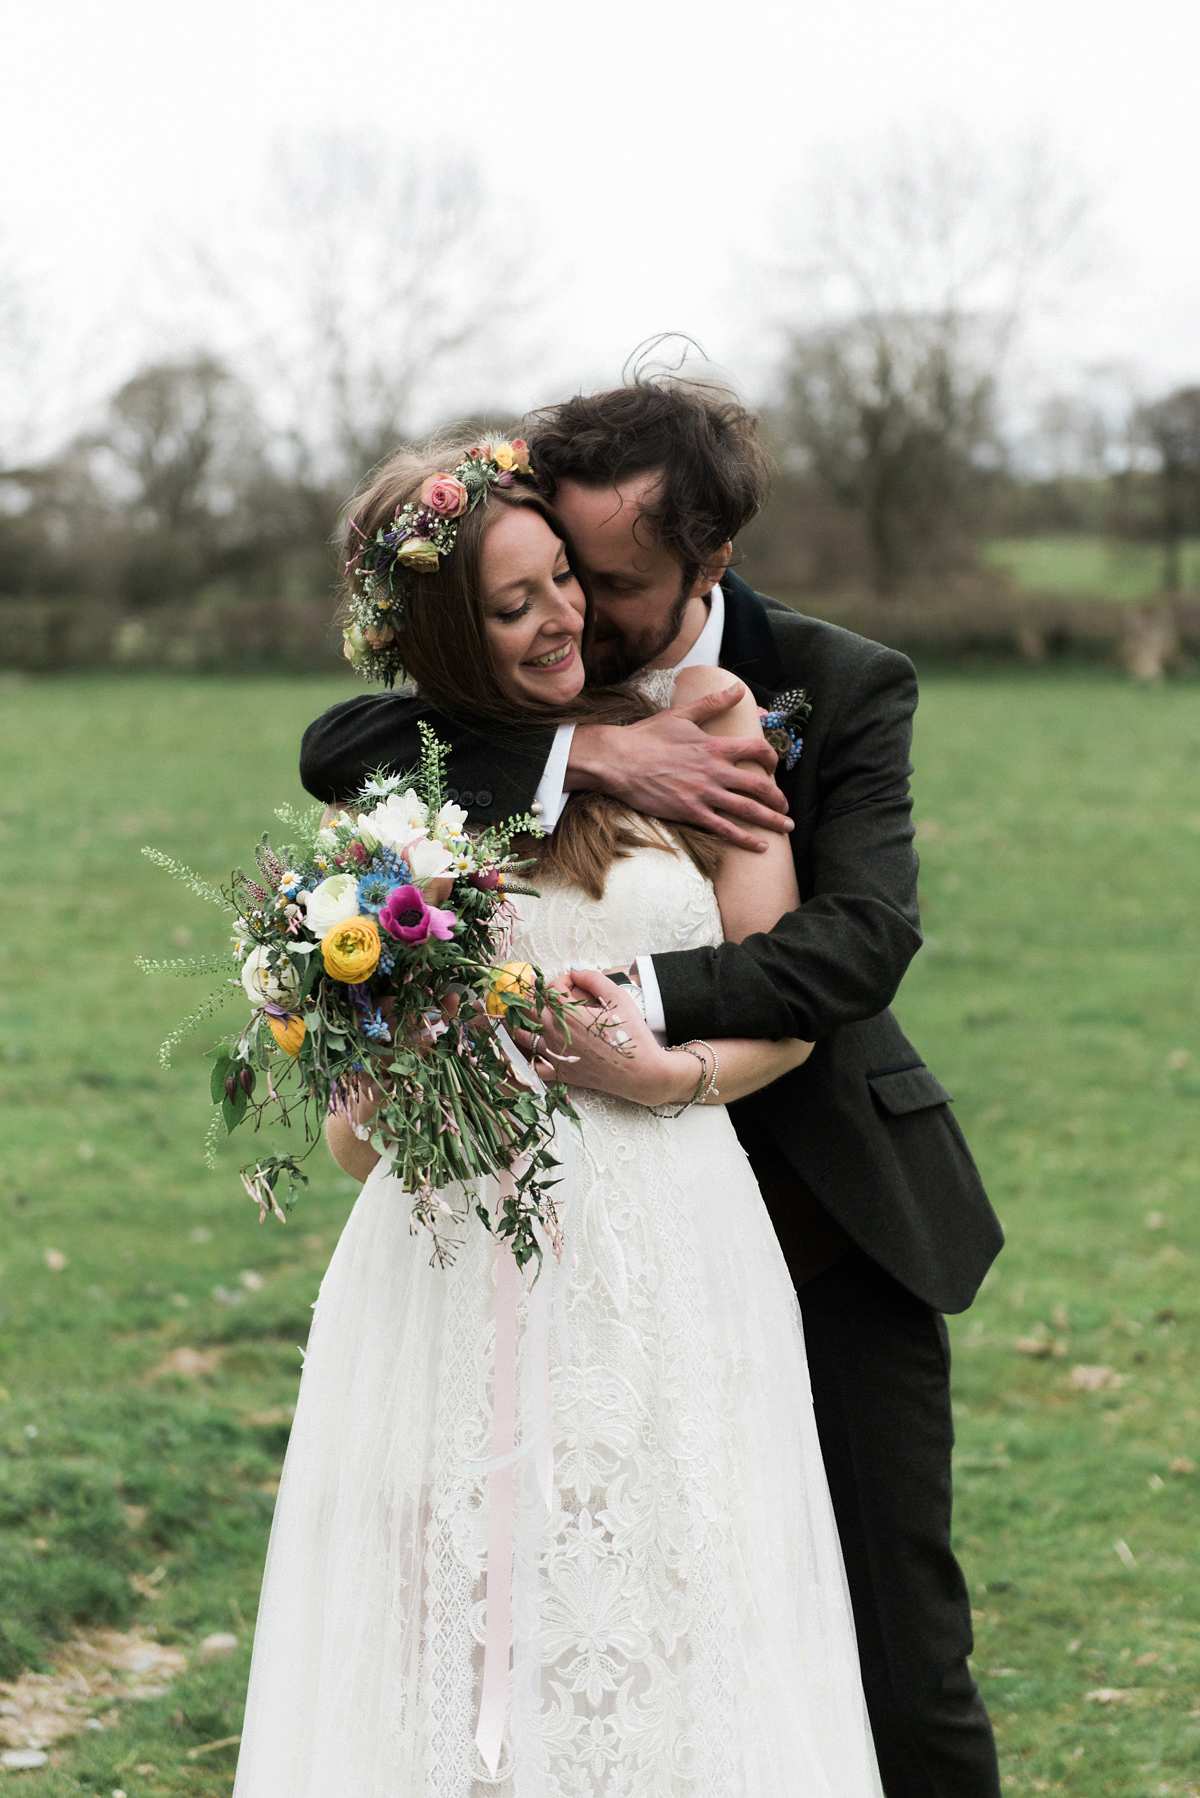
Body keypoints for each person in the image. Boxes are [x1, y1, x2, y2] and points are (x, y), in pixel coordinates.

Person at [300, 380, 1007, 1798]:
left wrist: (651, 1032)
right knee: (499, 1617)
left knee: (884, 1651)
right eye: (548, 574)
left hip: (806, 1202)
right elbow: (351, 747)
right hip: (516, 1247)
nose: (579, 611)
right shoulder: (488, 737)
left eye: (602, 580)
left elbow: (855, 945)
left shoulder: (816, 687)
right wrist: (587, 751)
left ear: (710, 564)